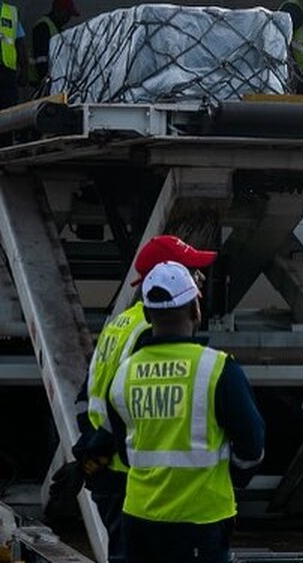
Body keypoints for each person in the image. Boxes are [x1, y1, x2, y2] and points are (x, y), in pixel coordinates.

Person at [69, 235, 218, 561]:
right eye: (193, 272)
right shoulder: (150, 333)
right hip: (130, 475)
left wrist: (88, 453)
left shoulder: (120, 323)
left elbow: (87, 396)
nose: (200, 280)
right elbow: (131, 409)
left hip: (109, 468)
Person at [105, 261, 264, 563]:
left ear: (148, 315)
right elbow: (252, 444)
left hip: (139, 517)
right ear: (195, 310)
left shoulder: (124, 373)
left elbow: (125, 452)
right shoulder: (217, 368)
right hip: (201, 519)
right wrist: (232, 477)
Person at [29, 0, 81, 91]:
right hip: (40, 82)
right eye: (68, 15)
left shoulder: (57, 29)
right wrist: (45, 81)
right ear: (59, 11)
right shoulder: (43, 26)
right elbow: (41, 58)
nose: (68, 19)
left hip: (52, 82)